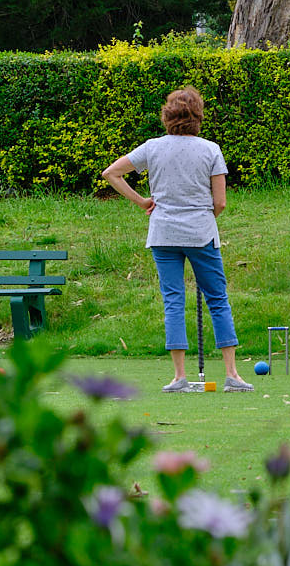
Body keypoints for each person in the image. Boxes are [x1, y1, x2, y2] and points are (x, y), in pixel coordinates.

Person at [102, 86, 254, 393]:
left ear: (167, 117)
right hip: (200, 232)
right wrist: (200, 218)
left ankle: (179, 377)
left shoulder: (152, 147)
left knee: (173, 301)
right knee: (218, 300)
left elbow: (111, 173)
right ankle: (232, 376)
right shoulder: (210, 149)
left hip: (163, 233)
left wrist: (143, 201)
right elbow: (220, 202)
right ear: (198, 116)